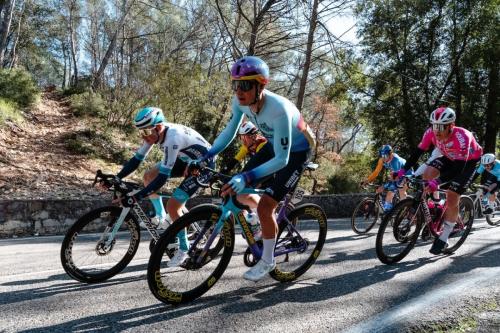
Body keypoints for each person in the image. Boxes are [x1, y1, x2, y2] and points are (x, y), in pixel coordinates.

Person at [194, 55, 315, 282]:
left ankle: (268, 260)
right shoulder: (240, 102)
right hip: (272, 143)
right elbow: (230, 132)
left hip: (297, 152)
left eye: (246, 85)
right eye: (236, 85)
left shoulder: (279, 110)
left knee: (266, 205)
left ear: (261, 86)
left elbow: (282, 160)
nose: (239, 91)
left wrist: (247, 176)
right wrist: (208, 154)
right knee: (237, 186)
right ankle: (258, 224)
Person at [113, 106, 214, 267]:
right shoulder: (156, 134)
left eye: (146, 132)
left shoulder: (172, 139)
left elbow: (162, 179)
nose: (144, 136)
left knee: (173, 206)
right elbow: (137, 159)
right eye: (141, 132)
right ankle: (160, 217)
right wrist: (116, 177)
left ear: (158, 127)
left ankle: (184, 248)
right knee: (148, 176)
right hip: (185, 159)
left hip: (203, 165)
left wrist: (136, 196)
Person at [397, 106, 482, 254]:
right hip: (449, 157)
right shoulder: (431, 132)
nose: (437, 130)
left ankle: (444, 236)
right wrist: (403, 170)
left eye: (441, 126)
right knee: (427, 175)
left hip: (467, 164)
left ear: (451, 125)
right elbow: (417, 153)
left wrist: (438, 181)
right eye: (434, 125)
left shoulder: (463, 137)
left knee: (452, 195)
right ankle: (435, 206)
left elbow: (458, 170)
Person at [361, 144, 408, 212]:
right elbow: (376, 171)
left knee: (401, 190)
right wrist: (368, 180)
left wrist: (383, 187)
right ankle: (388, 215)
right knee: (389, 193)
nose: (384, 158)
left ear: (390, 153)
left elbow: (396, 179)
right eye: (382, 156)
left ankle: (406, 211)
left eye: (385, 156)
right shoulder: (382, 159)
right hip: (396, 175)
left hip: (405, 173)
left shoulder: (395, 160)